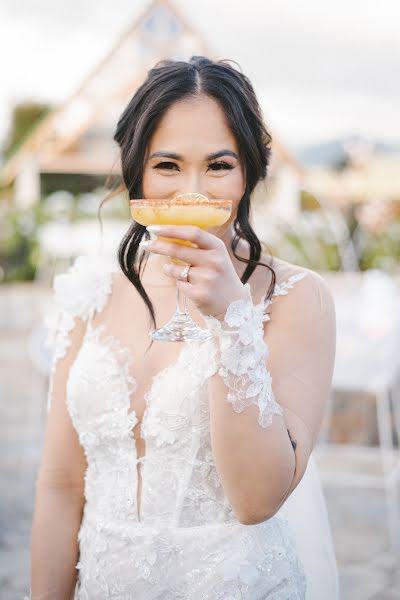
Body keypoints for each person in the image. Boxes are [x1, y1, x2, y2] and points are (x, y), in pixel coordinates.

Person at [30, 56, 339, 599]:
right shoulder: (90, 292)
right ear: (137, 171)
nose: (191, 191)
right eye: (168, 166)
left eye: (219, 166)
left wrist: (233, 321)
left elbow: (256, 501)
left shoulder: (297, 297)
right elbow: (60, 485)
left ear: (248, 173)